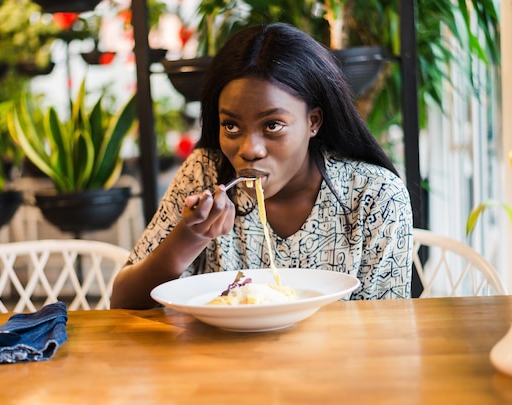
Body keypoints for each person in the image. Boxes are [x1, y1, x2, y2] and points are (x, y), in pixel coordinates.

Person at [111, 22, 413, 309]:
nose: (249, 150)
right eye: (231, 126)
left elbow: (387, 325)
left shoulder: (375, 196)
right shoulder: (206, 174)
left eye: (272, 125)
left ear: (313, 121)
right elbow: (123, 302)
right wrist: (190, 237)